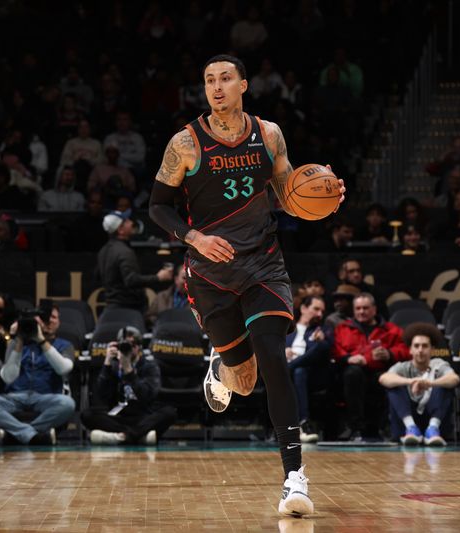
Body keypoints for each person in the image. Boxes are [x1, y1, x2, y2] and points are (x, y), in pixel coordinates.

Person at [147, 54, 345, 516]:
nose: (216, 87)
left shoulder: (268, 134)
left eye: (225, 79)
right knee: (244, 380)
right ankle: (222, 365)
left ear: (243, 86)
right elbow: (158, 207)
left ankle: (294, 477)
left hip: (263, 264)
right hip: (211, 275)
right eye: (209, 81)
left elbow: (286, 194)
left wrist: (324, 200)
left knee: (274, 358)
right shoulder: (186, 143)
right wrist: (195, 237)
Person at [0, 304, 74, 445]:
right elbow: (8, 377)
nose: (49, 321)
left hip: (46, 397)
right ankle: (34, 435)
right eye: (45, 318)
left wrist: (41, 340)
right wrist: (19, 340)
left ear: (59, 322)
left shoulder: (64, 345)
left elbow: (63, 369)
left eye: (53, 317)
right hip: (15, 397)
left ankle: (16, 434)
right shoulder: (15, 343)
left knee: (68, 404)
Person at [332, 293, 409, 442]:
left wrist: (390, 353)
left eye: (365, 308)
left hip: (380, 371)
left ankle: (384, 427)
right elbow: (335, 350)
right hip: (352, 373)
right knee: (352, 373)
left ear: (374, 309)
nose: (361, 311)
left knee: (388, 378)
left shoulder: (391, 329)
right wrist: (349, 358)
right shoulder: (343, 328)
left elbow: (406, 351)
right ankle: (356, 428)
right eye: (358, 308)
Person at [82, 326, 176, 445]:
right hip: (118, 416)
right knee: (87, 415)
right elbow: (101, 396)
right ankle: (140, 436)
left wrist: (128, 370)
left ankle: (121, 437)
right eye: (124, 345)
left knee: (169, 412)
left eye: (133, 344)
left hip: (142, 416)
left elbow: (146, 396)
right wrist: (107, 363)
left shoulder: (150, 366)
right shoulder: (113, 366)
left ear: (139, 347)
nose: (129, 348)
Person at [379, 323, 460, 446]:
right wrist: (411, 381)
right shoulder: (403, 367)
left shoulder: (439, 364)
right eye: (416, 346)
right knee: (394, 384)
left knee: (444, 384)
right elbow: (383, 378)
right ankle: (411, 428)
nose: (420, 350)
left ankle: (432, 429)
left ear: (432, 349)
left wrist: (430, 383)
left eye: (425, 346)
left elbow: (454, 378)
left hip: (435, 425)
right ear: (410, 350)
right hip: (405, 426)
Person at [97, 209, 173, 313]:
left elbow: (97, 276)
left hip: (111, 307)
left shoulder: (103, 250)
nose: (131, 222)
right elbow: (131, 280)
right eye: (127, 221)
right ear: (120, 230)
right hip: (128, 309)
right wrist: (158, 277)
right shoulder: (124, 252)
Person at [285, 296, 332, 443]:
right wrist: (283, 350)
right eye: (316, 309)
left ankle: (304, 423)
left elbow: (322, 351)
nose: (320, 314)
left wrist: (320, 341)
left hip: (311, 375)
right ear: (304, 308)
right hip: (285, 370)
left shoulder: (322, 330)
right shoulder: (286, 328)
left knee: (299, 371)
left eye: (322, 311)